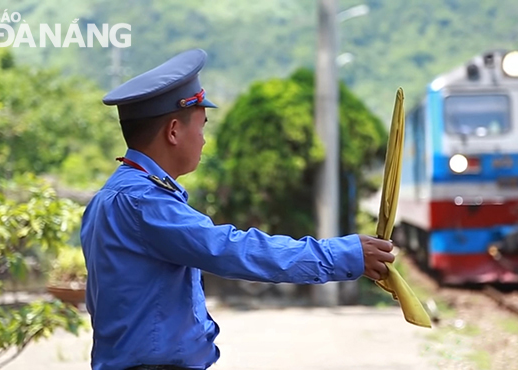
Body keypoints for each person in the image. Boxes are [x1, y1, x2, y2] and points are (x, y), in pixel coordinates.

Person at [80, 48, 395, 370]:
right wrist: (341, 254)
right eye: (201, 127)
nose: (203, 140)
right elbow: (230, 249)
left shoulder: (114, 195)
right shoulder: (143, 201)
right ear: (173, 131)